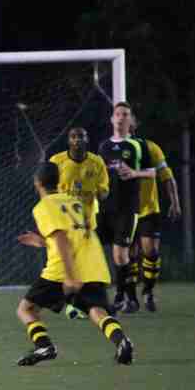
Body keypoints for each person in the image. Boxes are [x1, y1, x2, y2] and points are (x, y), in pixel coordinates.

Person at [15, 160, 133, 366]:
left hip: (64, 268)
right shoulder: (74, 201)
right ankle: (122, 341)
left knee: (26, 309)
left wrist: (70, 277)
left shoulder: (44, 206)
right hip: (93, 262)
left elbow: (62, 238)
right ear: (59, 181)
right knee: (97, 310)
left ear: (37, 182)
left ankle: (44, 346)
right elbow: (74, 234)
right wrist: (42, 242)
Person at [95, 102, 156, 313]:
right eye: (118, 114)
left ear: (130, 120)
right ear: (112, 119)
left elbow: (152, 172)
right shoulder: (103, 146)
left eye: (125, 115)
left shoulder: (138, 145)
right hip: (104, 207)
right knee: (97, 250)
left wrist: (134, 173)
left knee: (121, 254)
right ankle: (125, 297)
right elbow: (99, 174)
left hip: (128, 207)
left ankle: (121, 297)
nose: (121, 118)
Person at [49, 127, 109, 319]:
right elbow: (47, 187)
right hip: (63, 222)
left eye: (81, 136)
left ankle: (76, 303)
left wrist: (99, 193)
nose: (77, 140)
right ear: (69, 141)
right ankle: (69, 303)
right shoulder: (57, 161)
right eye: (74, 137)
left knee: (85, 267)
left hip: (87, 224)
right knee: (66, 264)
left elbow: (105, 191)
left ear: (87, 139)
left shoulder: (96, 162)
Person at [126, 120, 181, 312]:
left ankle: (148, 291)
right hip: (125, 211)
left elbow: (167, 176)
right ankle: (131, 299)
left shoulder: (151, 148)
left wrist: (175, 202)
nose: (125, 122)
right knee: (129, 256)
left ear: (135, 123)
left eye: (128, 118)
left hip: (149, 209)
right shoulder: (112, 149)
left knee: (151, 252)